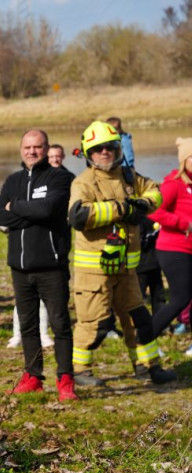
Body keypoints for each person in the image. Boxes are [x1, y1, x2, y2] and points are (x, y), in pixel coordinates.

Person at [68, 120, 175, 385]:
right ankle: (80, 371)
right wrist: (120, 209)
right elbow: (78, 215)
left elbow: (156, 191)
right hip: (95, 271)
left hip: (127, 269)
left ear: (118, 150)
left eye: (111, 147)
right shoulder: (83, 182)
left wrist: (143, 203)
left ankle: (148, 367)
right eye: (99, 148)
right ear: (87, 153)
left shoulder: (129, 177)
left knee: (139, 319)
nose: (105, 152)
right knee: (94, 323)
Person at [0, 129, 77, 401]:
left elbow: (49, 210)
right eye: (27, 147)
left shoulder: (60, 177)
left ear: (46, 148)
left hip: (51, 265)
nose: (31, 151)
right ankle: (32, 376)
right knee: (28, 325)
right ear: (21, 149)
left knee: (60, 324)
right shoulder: (13, 179)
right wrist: (30, 211)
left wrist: (13, 207)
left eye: (37, 147)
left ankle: (65, 380)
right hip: (20, 266)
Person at [146, 137, 192, 340]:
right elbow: (154, 211)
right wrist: (184, 224)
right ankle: (145, 339)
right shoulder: (174, 183)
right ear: (185, 161)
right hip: (174, 249)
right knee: (180, 299)